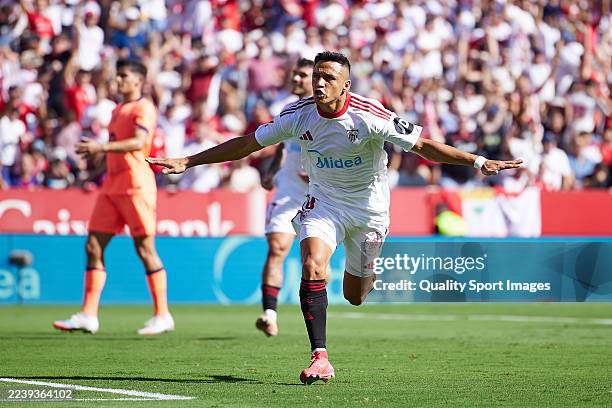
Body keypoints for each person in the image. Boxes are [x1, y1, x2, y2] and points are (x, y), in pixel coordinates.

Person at [147, 51, 521, 384]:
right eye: (316, 77)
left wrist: (478, 161)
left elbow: (422, 146)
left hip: (370, 210)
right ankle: (320, 356)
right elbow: (247, 143)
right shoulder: (297, 115)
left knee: (355, 295)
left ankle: (368, 272)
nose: (319, 83)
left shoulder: (370, 114)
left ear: (346, 85)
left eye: (328, 78)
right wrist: (188, 160)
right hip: (324, 203)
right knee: (312, 265)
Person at [53, 59, 174, 336]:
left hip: (136, 185)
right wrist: (92, 168)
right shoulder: (117, 109)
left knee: (145, 249)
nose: (118, 81)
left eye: (123, 76)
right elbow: (115, 148)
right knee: (93, 245)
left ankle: (163, 314)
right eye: (117, 76)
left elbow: (135, 142)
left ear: (138, 81)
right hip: (111, 185)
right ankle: (88, 315)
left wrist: (101, 146)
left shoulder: (144, 108)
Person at [256, 58, 313, 337]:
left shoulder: (328, 112)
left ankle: (314, 319)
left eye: (302, 75)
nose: (296, 79)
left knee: (314, 260)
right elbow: (281, 144)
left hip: (321, 194)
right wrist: (271, 170)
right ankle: (269, 314)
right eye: (295, 74)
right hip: (289, 188)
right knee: (277, 247)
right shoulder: (288, 109)